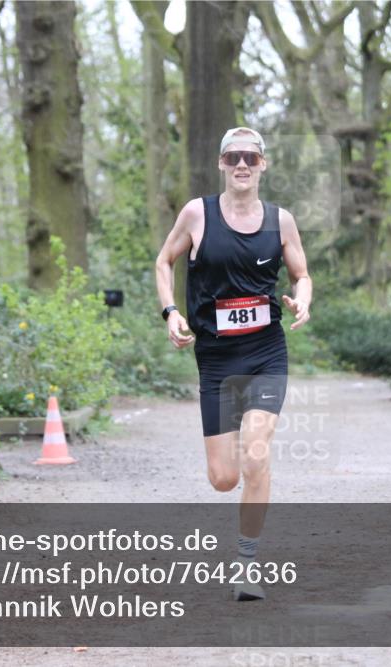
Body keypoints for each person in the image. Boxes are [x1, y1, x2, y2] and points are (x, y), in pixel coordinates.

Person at [155, 127, 312, 601]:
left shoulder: (280, 221)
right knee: (224, 477)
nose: (241, 164)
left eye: (250, 157)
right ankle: (245, 493)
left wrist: (303, 300)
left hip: (266, 352)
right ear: (221, 165)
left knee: (256, 452)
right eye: (232, 157)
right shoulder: (196, 214)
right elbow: (164, 262)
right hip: (217, 358)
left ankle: (247, 564)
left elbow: (302, 274)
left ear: (263, 165)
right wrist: (171, 312)